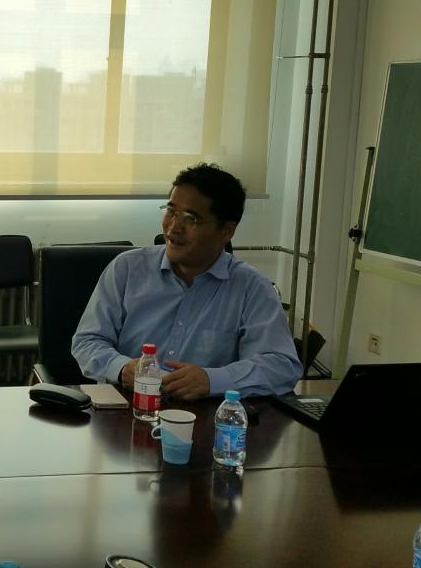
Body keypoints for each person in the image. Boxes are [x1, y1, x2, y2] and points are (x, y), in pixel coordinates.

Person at [71, 163, 301, 399]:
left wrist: (213, 380)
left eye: (191, 219)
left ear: (226, 231)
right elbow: (87, 341)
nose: (174, 227)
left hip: (207, 415)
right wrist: (121, 368)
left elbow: (281, 366)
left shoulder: (251, 287)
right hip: (128, 407)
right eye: (171, 211)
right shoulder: (127, 269)